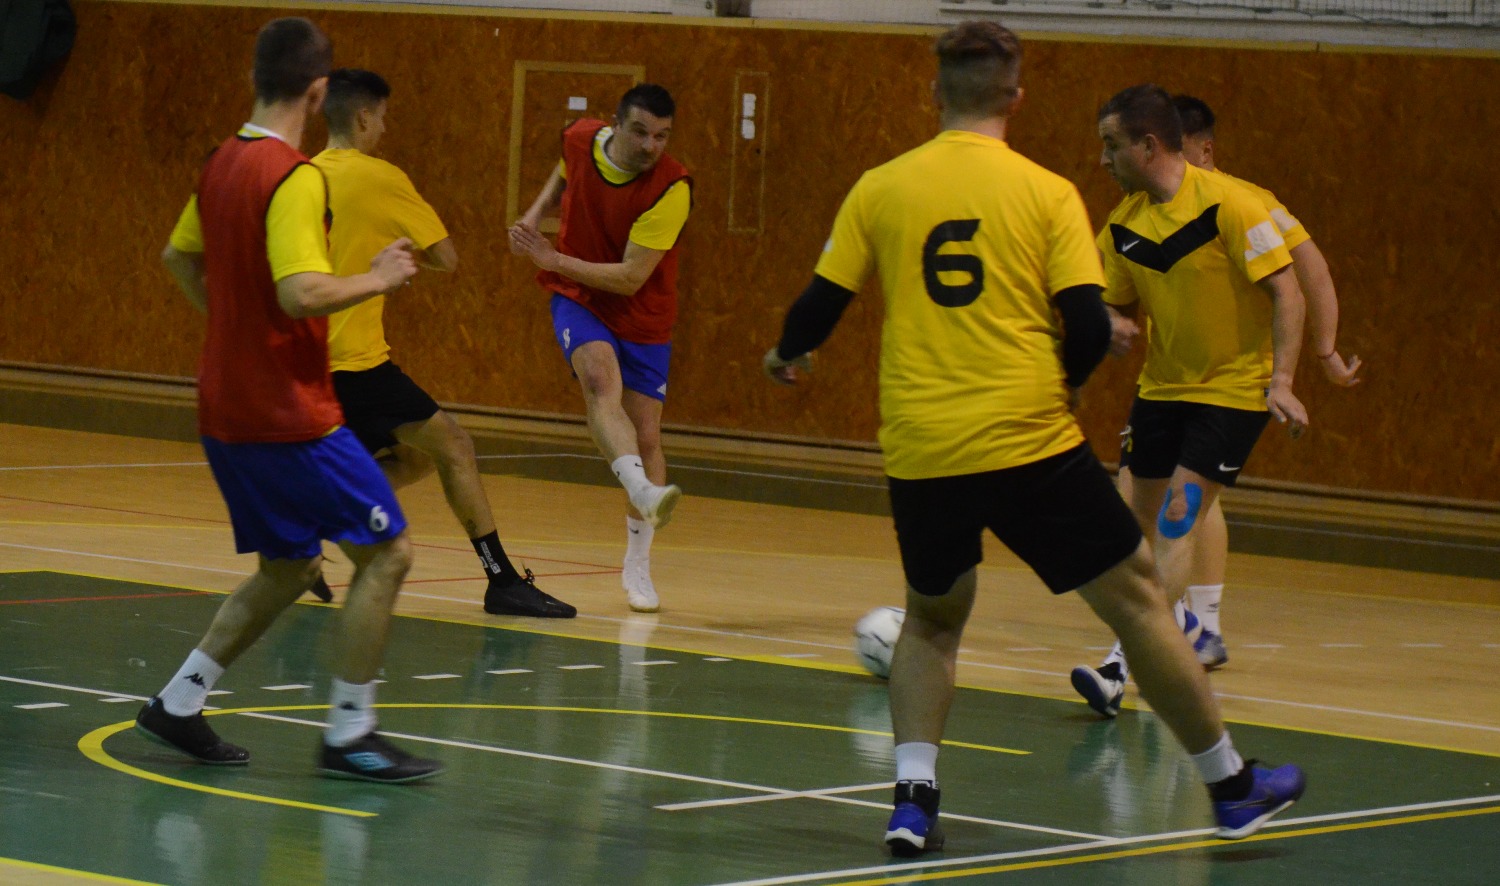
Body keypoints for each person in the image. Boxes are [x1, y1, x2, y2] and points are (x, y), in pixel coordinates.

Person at [763, 23, 1304, 854]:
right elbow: (1086, 325)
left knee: (931, 620)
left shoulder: (881, 186)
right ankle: (1231, 787)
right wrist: (1072, 383)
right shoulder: (1047, 192)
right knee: (1139, 602)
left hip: (923, 443)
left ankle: (911, 802)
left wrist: (785, 354)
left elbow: (818, 306)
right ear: (1016, 98)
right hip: (1027, 438)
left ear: (934, 94)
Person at [143, 17, 440, 783]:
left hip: (225, 407)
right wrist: (379, 277)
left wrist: (234, 329)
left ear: (254, 78)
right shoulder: (293, 176)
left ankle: (178, 702)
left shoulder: (221, 162)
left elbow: (177, 256)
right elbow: (302, 291)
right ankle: (350, 733)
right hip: (287, 415)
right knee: (388, 554)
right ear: (318, 91)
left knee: (286, 565)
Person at [1069, 85, 1309, 718]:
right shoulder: (1125, 225)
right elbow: (1104, 301)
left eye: (1112, 146)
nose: (1103, 160)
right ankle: (1183, 626)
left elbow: (1288, 292)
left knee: (1179, 517)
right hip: (1162, 389)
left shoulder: (1233, 205)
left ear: (1149, 146)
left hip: (1233, 391)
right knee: (1128, 532)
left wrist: (1283, 380)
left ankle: (1120, 665)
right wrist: (1105, 325)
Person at [309, 68, 575, 618]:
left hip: (305, 363)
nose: (385, 128)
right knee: (453, 447)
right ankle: (502, 580)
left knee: (414, 454)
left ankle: (321, 518)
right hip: (356, 363)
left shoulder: (301, 177)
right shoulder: (382, 178)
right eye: (383, 117)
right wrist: (396, 256)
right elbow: (446, 257)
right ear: (364, 117)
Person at [509, 84, 691, 614]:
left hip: (641, 312)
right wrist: (534, 212)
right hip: (578, 297)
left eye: (662, 136)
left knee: (647, 434)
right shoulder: (580, 138)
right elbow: (564, 169)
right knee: (598, 379)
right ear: (616, 124)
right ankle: (642, 490)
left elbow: (632, 277)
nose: (651, 145)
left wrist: (552, 258)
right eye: (640, 132)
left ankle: (637, 562)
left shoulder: (672, 188)